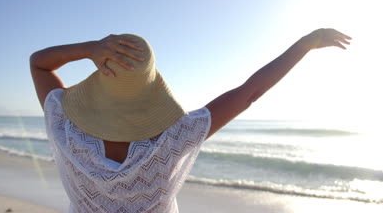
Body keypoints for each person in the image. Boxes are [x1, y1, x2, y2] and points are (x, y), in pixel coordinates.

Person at [30, 28, 351, 212]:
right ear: (149, 83)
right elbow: (249, 92)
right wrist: (304, 45)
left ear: (101, 73)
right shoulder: (176, 136)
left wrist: (90, 48)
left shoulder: (63, 123)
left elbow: (39, 64)